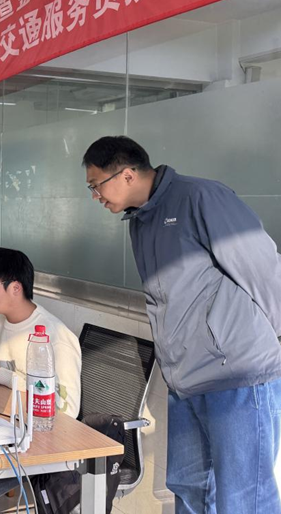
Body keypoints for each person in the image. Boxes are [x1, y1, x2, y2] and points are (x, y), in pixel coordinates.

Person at [83, 135, 281, 514]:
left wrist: (256, 341)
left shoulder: (200, 198)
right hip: (185, 379)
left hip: (236, 377)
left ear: (127, 175)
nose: (95, 196)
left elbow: (264, 270)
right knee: (189, 490)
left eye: (96, 185)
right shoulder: (140, 220)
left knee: (244, 499)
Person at [0, 247, 81, 417]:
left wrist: (2, 375)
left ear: (16, 288)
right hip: (8, 415)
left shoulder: (57, 338)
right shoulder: (0, 321)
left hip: (40, 426)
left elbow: (68, 410)